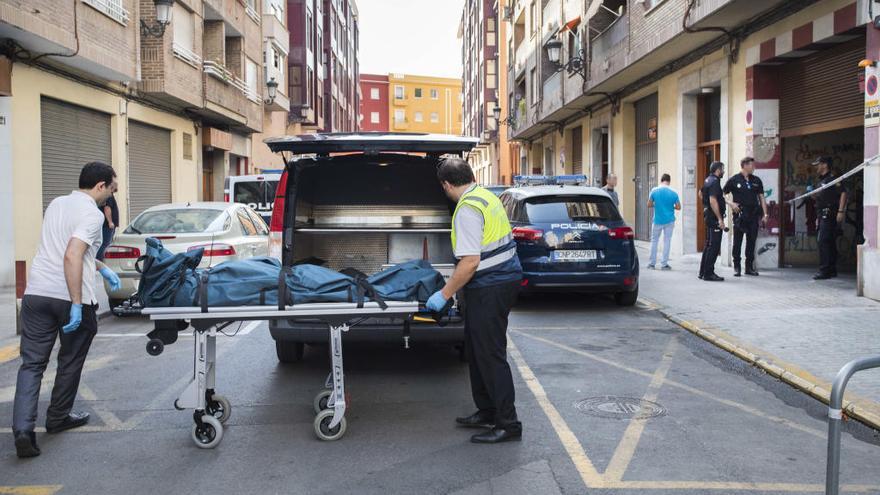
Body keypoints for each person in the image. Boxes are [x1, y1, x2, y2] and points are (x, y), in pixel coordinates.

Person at [12, 162, 122, 458]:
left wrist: (100, 268)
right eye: (112, 190)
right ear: (100, 186)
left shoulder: (57, 204)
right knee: (70, 360)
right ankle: (58, 417)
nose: (111, 196)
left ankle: (23, 430)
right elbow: (72, 254)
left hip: (36, 295)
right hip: (70, 297)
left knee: (32, 364)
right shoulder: (91, 214)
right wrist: (75, 303)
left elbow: (64, 249)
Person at [426, 157, 523, 444]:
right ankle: (487, 410)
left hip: (491, 285)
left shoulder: (467, 208)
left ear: (446, 184)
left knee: (491, 355)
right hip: (499, 280)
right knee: (477, 350)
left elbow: (469, 262)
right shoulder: (485, 196)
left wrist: (443, 295)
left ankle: (508, 423)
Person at [723, 157, 769, 277]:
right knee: (737, 241)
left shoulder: (756, 180)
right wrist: (731, 203)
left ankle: (749, 267)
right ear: (744, 165)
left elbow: (762, 198)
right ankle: (737, 267)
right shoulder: (734, 180)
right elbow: (722, 194)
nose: (754, 167)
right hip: (740, 215)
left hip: (753, 215)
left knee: (751, 241)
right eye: (752, 165)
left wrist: (765, 214)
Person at [812, 156, 848, 280]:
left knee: (823, 241)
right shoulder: (821, 181)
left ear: (824, 165)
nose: (816, 167)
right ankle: (832, 269)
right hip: (821, 214)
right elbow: (822, 198)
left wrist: (841, 211)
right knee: (829, 242)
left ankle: (824, 270)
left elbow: (843, 192)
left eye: (818, 164)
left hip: (829, 214)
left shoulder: (833, 179)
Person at [698, 161, 727, 282]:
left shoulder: (708, 180)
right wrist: (720, 219)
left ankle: (703, 272)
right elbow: (713, 200)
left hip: (709, 215)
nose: (723, 171)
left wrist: (705, 205)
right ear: (718, 170)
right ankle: (708, 273)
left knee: (708, 245)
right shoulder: (715, 182)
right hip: (714, 218)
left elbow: (700, 192)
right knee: (714, 246)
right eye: (722, 169)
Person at [646, 174, 681, 270]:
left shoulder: (654, 190)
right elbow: (678, 207)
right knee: (667, 241)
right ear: (669, 181)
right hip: (669, 220)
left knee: (654, 241)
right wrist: (671, 207)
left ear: (661, 180)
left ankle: (652, 264)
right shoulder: (674, 192)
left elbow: (648, 204)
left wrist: (657, 205)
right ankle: (664, 264)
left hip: (657, 220)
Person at [96, 192, 119, 261]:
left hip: (105, 224)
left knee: (104, 244)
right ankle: (98, 262)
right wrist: (110, 222)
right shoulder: (108, 194)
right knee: (105, 244)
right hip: (107, 225)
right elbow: (107, 207)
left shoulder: (103, 193)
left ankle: (98, 261)